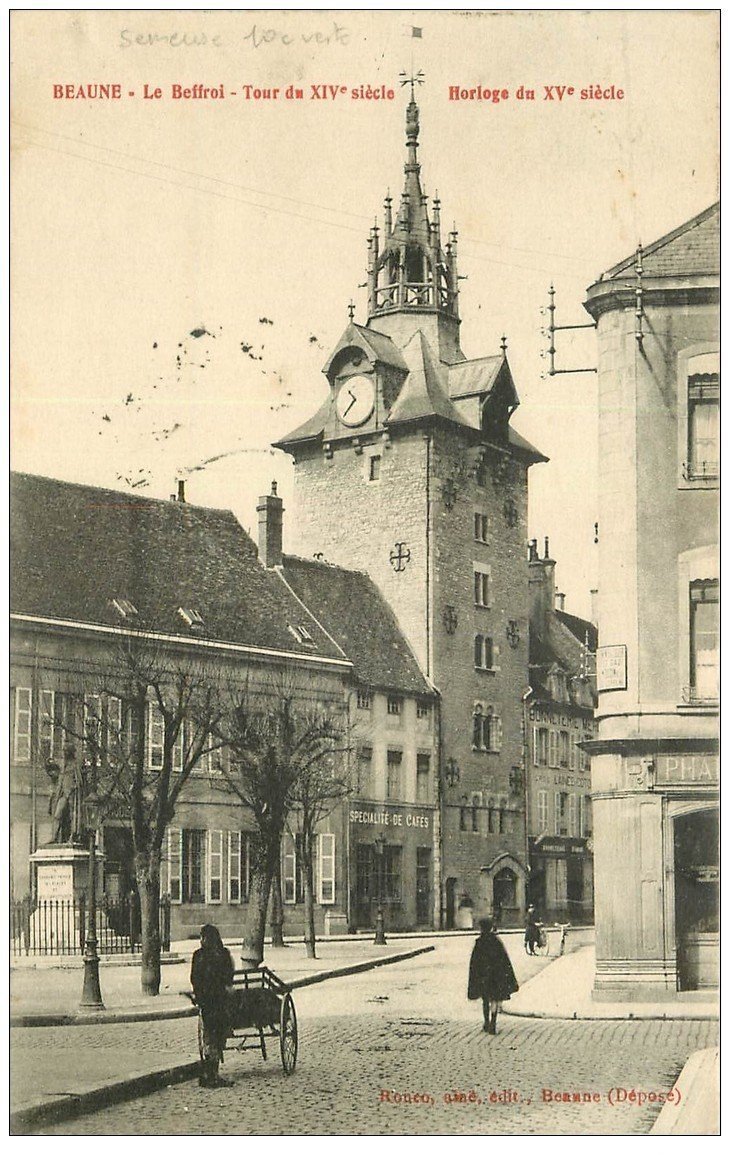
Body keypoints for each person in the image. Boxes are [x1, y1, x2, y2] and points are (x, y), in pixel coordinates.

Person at [191, 924, 235, 1087]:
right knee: (217, 1036)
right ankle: (213, 1074)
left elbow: (194, 978)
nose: (201, 940)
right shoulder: (223, 954)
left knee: (209, 1035)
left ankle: (208, 1073)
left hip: (206, 1001)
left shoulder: (198, 955)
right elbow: (229, 976)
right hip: (219, 1001)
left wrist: (199, 995)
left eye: (203, 937)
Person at [467, 916, 519, 1035]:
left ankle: (486, 1022)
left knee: (485, 999)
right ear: (491, 928)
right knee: (495, 999)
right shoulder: (496, 942)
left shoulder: (479, 942)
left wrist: (475, 977)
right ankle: (493, 1024)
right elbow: (504, 961)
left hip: (483, 977)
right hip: (495, 977)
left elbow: (474, 963)